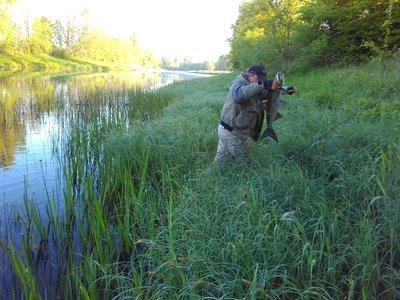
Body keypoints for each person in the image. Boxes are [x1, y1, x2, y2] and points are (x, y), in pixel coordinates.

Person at [214, 64, 297, 167]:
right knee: (247, 165)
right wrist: (263, 84)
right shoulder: (238, 84)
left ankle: (210, 178)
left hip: (229, 131)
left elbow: (265, 93)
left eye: (263, 79)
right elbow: (239, 96)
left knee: (220, 165)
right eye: (259, 79)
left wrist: (285, 89)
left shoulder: (253, 85)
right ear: (251, 75)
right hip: (232, 133)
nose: (260, 81)